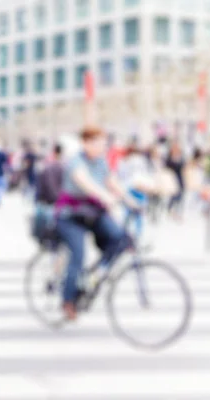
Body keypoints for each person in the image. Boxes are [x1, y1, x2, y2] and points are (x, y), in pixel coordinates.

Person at [55, 127, 137, 321]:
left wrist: (132, 201)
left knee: (122, 239)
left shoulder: (101, 162)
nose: (102, 146)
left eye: (104, 142)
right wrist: (106, 197)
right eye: (98, 142)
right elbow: (86, 183)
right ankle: (68, 301)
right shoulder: (76, 161)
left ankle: (95, 274)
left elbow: (112, 182)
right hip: (71, 216)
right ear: (85, 143)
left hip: (92, 214)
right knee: (78, 254)